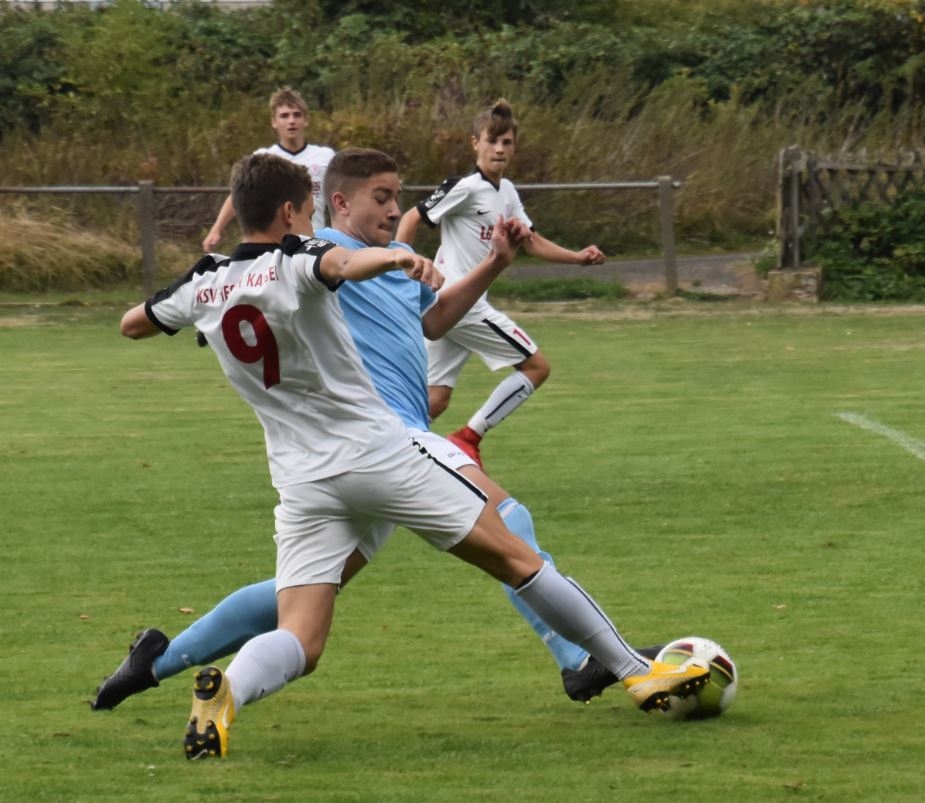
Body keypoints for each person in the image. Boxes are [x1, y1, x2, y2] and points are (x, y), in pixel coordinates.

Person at [115, 151, 707, 760]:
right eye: (314, 210)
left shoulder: (205, 281)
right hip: (379, 453)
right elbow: (342, 262)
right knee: (516, 554)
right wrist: (395, 256)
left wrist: (196, 305)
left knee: (301, 635)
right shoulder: (303, 257)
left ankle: (226, 693)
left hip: (303, 479)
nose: (393, 209)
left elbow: (133, 323)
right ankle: (634, 671)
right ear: (295, 211)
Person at [396, 98, 606, 467]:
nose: (499, 149)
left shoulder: (506, 191)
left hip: (448, 307)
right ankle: (468, 438)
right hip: (461, 304)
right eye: (491, 141)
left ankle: (379, 450)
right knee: (537, 368)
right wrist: (401, 270)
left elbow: (531, 240)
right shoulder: (464, 187)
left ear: (514, 147)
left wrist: (577, 257)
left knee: (435, 399)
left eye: (506, 142)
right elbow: (412, 218)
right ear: (474, 143)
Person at [201, 86, 334, 252]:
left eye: (297, 115)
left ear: (306, 120)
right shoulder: (263, 158)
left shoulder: (325, 156)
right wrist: (216, 229)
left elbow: (343, 195)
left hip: (313, 243)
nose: (291, 121)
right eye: (284, 116)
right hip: (274, 247)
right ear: (274, 122)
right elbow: (238, 194)